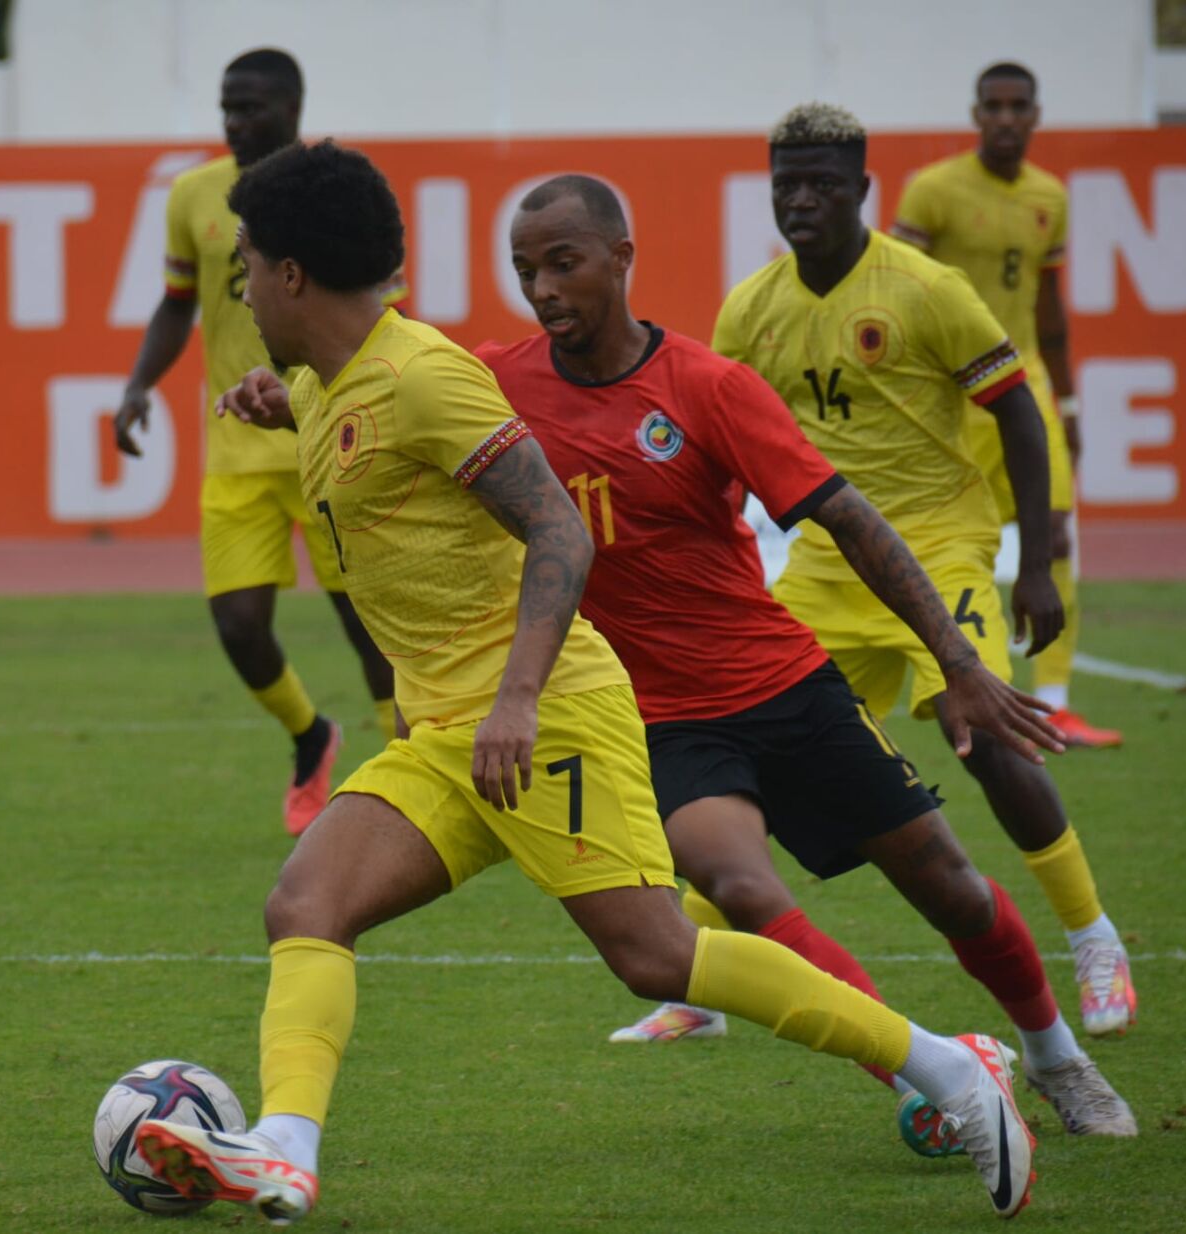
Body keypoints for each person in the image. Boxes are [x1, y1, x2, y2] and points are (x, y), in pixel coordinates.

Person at [131, 140, 1037, 1225]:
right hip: (447, 736)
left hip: (543, 712)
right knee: (305, 903)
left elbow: (557, 525)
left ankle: (950, 1072)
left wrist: (517, 697)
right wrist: (291, 405)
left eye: (245, 264)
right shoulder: (331, 380)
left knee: (657, 956)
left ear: (288, 276)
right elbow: (372, 438)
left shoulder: (418, 374)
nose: (236, 287)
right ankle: (283, 1146)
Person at [482, 174, 1134, 1148]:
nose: (542, 288)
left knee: (948, 885)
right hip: (662, 719)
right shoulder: (500, 382)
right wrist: (294, 394)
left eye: (562, 263)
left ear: (620, 258)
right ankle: (934, 1071)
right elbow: (391, 379)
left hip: (785, 683)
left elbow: (851, 519)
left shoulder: (704, 385)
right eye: (525, 269)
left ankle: (1053, 1056)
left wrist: (956, 659)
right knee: (739, 890)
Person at [713, 102, 1136, 1039]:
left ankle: (1093, 936)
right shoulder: (751, 308)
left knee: (982, 734)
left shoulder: (926, 289)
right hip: (826, 564)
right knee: (747, 750)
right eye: (788, 182)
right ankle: (698, 986)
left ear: (863, 189)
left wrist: (1032, 563)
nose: (802, 199)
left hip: (938, 545)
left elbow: (1019, 414)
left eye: (823, 182)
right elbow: (717, 440)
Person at [112, 48, 398, 835]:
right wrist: (138, 385)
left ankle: (417, 771)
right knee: (239, 625)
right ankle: (311, 735)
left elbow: (382, 314)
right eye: (226, 108)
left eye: (251, 109)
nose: (235, 123)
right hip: (238, 446)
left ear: (292, 110)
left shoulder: (336, 190)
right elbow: (177, 304)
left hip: (329, 441)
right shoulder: (194, 196)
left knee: (366, 624)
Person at [891, 62, 1118, 749]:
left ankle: (1053, 702)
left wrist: (1072, 406)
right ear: (976, 113)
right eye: (994, 106)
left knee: (1053, 537)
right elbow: (899, 294)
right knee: (938, 539)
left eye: (1019, 106)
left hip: (1027, 394)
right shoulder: (934, 191)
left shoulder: (1050, 196)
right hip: (954, 397)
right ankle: (943, 675)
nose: (1007, 118)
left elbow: (1050, 315)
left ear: (1036, 115)